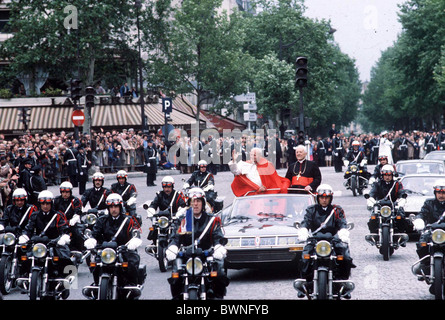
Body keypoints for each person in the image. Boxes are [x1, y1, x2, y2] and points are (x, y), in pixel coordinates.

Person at [166, 187, 229, 299]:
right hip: (186, 256)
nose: (195, 204)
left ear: (203, 203)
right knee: (175, 274)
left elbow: (218, 236)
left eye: (198, 201)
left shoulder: (211, 220)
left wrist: (219, 246)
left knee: (219, 271)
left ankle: (218, 296)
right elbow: (175, 237)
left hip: (207, 255)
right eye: (192, 201)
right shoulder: (182, 220)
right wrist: (173, 247)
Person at [18, 190, 73, 298]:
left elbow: (64, 229)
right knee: (25, 257)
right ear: (40, 204)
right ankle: (24, 278)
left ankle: (65, 281)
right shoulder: (34, 215)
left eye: (47, 203)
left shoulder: (57, 215)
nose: (45, 206)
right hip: (39, 244)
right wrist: (24, 236)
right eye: (43, 203)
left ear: (51, 204)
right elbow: (28, 229)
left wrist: (63, 238)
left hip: (54, 243)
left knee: (65, 258)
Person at [296, 184, 355, 285]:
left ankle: (344, 283)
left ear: (330, 198)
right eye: (322, 197)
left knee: (345, 257)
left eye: (326, 197)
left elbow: (342, 223)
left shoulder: (336, 210)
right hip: (315, 240)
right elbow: (306, 221)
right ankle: (304, 283)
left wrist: (343, 232)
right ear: (317, 198)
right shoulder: (311, 209)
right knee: (304, 257)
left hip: (333, 240)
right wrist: (303, 230)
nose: (324, 200)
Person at [84, 193, 142, 287]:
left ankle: (132, 287)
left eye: (116, 206)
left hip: (123, 250)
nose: (113, 209)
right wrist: (91, 240)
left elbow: (135, 232)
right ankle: (97, 285)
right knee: (95, 264)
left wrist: (133, 241)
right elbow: (95, 233)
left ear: (120, 207)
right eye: (111, 207)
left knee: (132, 262)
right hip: (106, 251)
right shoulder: (102, 220)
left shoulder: (128, 220)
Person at [412, 182, 445, 277]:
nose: (441, 195)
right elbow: (423, 213)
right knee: (422, 242)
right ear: (435, 193)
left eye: (443, 193)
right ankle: (425, 263)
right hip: (431, 230)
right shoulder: (429, 203)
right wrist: (419, 220)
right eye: (439, 193)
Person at [365, 164, 408, 235]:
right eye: (385, 175)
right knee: (373, 218)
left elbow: (401, 191)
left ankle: (401, 234)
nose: (387, 177)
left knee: (401, 217)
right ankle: (374, 234)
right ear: (382, 175)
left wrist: (402, 197)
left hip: (393, 205)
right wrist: (370, 198)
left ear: (392, 175)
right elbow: (372, 192)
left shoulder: (396, 184)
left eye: (389, 175)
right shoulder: (377, 184)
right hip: (380, 205)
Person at [146, 176, 187, 247]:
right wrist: (151, 211)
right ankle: (155, 243)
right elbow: (154, 204)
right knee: (154, 228)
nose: (166, 189)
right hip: (162, 218)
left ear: (172, 186)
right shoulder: (159, 195)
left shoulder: (177, 195)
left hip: (174, 218)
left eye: (168, 187)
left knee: (178, 230)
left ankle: (179, 245)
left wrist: (179, 213)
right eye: (165, 187)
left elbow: (182, 205)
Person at [53, 181, 84, 253]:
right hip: (59, 223)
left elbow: (77, 213)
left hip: (71, 222)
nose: (65, 194)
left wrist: (71, 221)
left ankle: (80, 250)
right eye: (63, 192)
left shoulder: (75, 200)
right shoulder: (56, 200)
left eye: (67, 192)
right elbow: (53, 211)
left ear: (70, 192)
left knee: (78, 234)